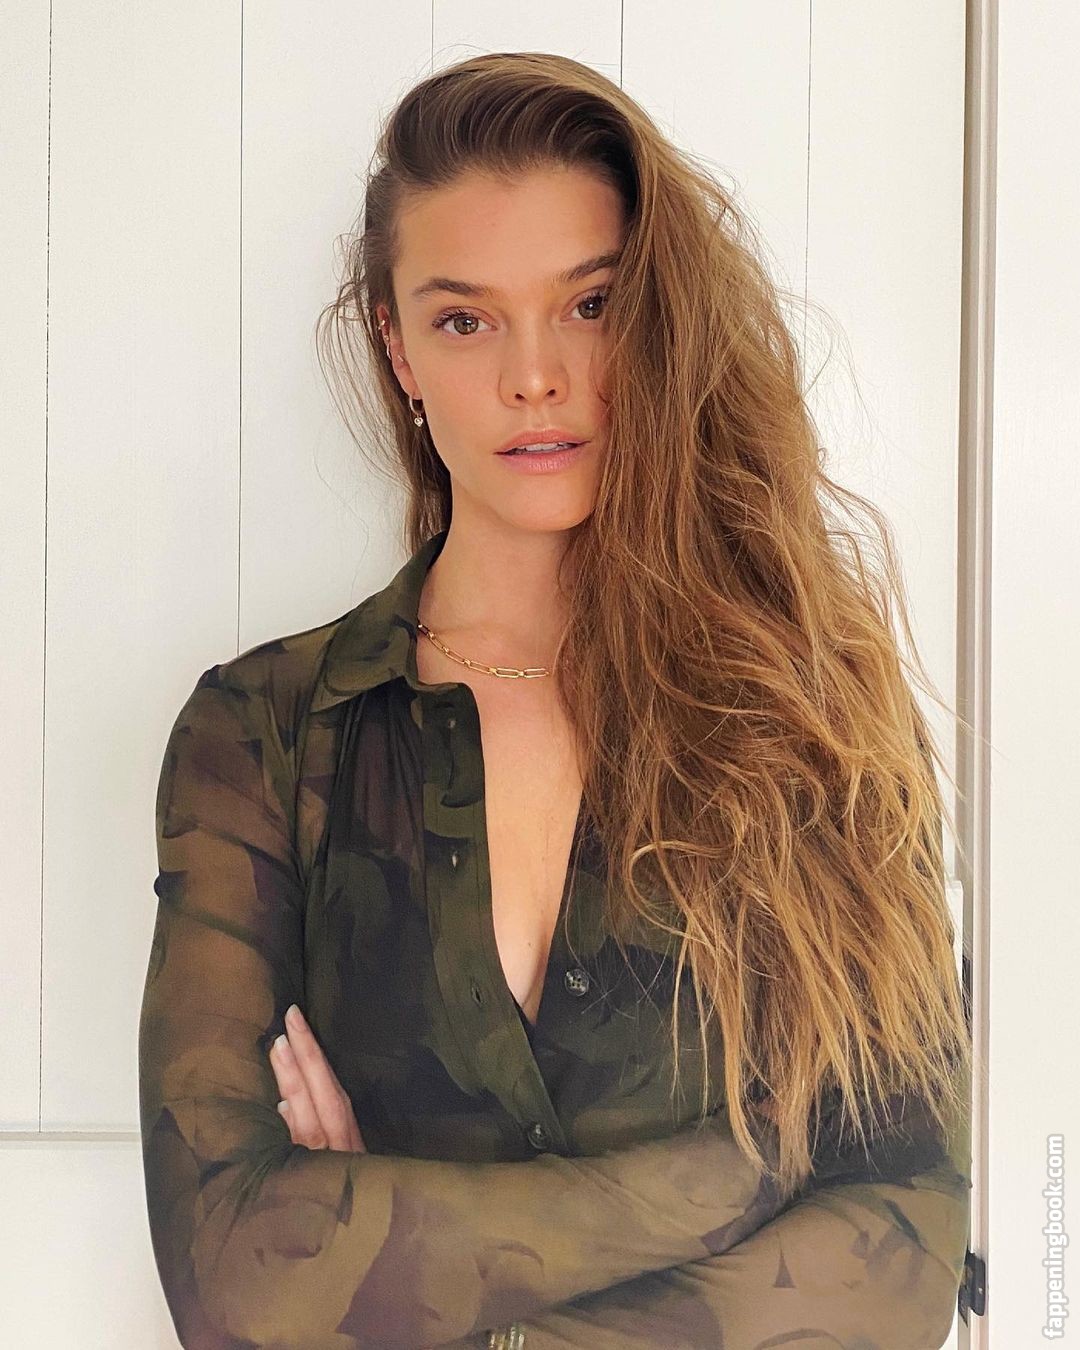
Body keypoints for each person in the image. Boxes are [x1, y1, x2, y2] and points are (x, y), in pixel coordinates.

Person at [138, 51, 973, 1349]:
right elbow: (232, 1279)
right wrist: (731, 1183)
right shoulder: (262, 736)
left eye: (590, 305)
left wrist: (394, 1270)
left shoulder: (819, 723)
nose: (535, 375)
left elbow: (904, 1250)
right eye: (465, 320)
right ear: (398, 349)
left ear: (658, 322)